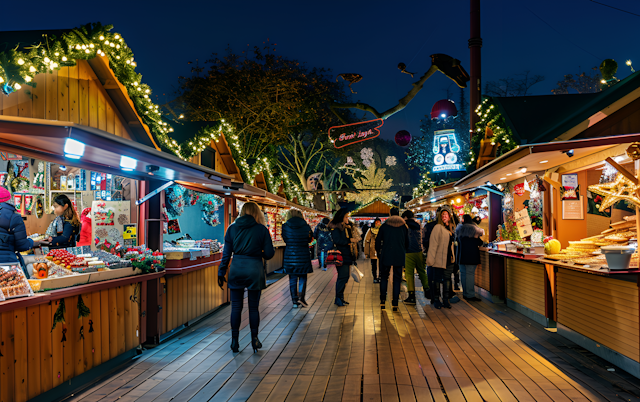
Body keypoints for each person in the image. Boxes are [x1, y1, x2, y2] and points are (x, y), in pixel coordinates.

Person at [218, 202, 275, 353]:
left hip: (236, 268)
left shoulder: (232, 228)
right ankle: (254, 339)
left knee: (236, 307)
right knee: (253, 307)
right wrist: (258, 253)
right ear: (257, 213)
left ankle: (234, 341)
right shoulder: (261, 229)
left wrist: (221, 271)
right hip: (254, 269)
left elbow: (226, 254)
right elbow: (269, 253)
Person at [375, 208, 409, 311]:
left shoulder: (384, 226)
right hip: (399, 255)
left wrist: (379, 252)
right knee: (397, 279)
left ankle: (382, 301)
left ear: (390, 214)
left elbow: (377, 241)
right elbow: (408, 242)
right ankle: (395, 303)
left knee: (384, 277)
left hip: (386, 255)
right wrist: (403, 250)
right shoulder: (404, 227)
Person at [426, 205, 456, 309]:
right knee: (437, 279)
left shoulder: (452, 228)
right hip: (439, 258)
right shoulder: (437, 227)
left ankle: (446, 300)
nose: (444, 216)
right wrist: (431, 258)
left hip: (449, 258)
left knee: (447, 279)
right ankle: (436, 299)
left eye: (446, 214)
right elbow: (433, 244)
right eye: (442, 214)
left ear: (449, 216)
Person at [282, 209, 313, 308]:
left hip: (290, 256)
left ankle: (294, 301)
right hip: (303, 254)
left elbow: (285, 239)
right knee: (303, 276)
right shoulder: (306, 226)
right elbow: (309, 239)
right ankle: (302, 298)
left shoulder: (285, 226)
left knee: (292, 278)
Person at [0, 187, 35, 266]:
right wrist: (32, 242)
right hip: (8, 263)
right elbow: (22, 246)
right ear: (9, 200)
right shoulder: (14, 217)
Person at [401, 210, 429, 305]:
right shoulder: (418, 225)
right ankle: (427, 290)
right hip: (419, 251)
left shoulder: (405, 226)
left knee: (409, 274)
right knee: (422, 271)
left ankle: (412, 296)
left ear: (405, 217)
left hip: (409, 252)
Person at [456, 214, 484, 301]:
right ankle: (470, 295)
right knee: (470, 275)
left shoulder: (459, 230)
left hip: (461, 256)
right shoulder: (474, 230)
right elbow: (480, 242)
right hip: (471, 256)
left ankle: (465, 293)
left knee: (463, 274)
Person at [328, 209, 353, 306]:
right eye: (346, 217)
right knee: (343, 277)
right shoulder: (336, 227)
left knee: (345, 277)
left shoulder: (345, 227)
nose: (348, 218)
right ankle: (338, 298)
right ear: (341, 217)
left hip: (346, 255)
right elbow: (337, 240)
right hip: (340, 255)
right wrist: (349, 241)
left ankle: (341, 297)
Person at [364, 218, 381, 283]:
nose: (378, 223)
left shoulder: (382, 229)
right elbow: (367, 241)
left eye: (379, 222)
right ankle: (375, 277)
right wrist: (367, 253)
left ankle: (379, 276)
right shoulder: (370, 230)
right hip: (373, 250)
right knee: (374, 265)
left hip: (380, 249)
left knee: (381, 264)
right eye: (376, 222)